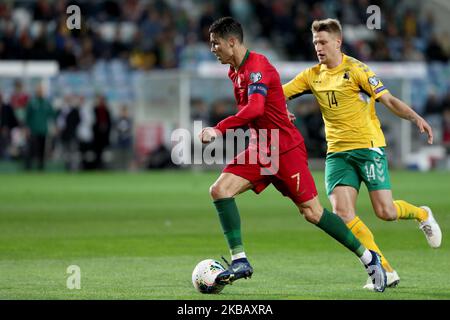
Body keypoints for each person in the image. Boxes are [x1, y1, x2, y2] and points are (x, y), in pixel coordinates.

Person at [199, 16, 387, 292]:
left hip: (285, 150)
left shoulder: (257, 66)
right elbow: (266, 105)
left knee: (313, 212)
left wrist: (219, 129)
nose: (212, 49)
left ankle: (369, 258)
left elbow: (255, 109)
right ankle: (240, 260)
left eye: (215, 44)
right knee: (219, 190)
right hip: (261, 149)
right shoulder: (235, 71)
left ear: (232, 42)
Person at [282, 18, 442, 290]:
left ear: (337, 42)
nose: (318, 47)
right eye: (315, 43)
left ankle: (422, 214)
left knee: (386, 212)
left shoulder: (357, 70)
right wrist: (281, 109)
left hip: (368, 148)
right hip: (337, 154)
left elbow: (388, 100)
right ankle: (384, 270)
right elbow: (276, 94)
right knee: (343, 214)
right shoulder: (312, 75)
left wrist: (416, 118)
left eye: (323, 42)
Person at [24, 83, 56, 170]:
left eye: (42, 91)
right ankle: (28, 167)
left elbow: (53, 115)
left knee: (42, 150)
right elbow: (27, 117)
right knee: (32, 149)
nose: (41, 92)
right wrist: (26, 128)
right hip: (33, 130)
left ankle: (41, 167)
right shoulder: (32, 102)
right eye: (39, 90)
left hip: (43, 130)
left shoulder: (47, 103)